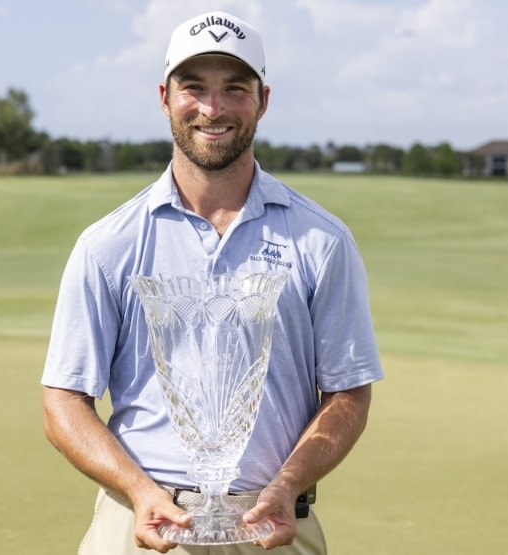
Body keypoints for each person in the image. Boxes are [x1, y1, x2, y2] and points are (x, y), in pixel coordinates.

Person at [41, 10, 383, 555]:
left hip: (270, 525)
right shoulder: (108, 244)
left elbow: (348, 392)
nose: (212, 108)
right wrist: (139, 490)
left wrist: (287, 483)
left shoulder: (321, 240)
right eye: (194, 87)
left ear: (263, 100)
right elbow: (63, 401)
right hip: (141, 524)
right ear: (164, 96)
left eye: (234, 89)